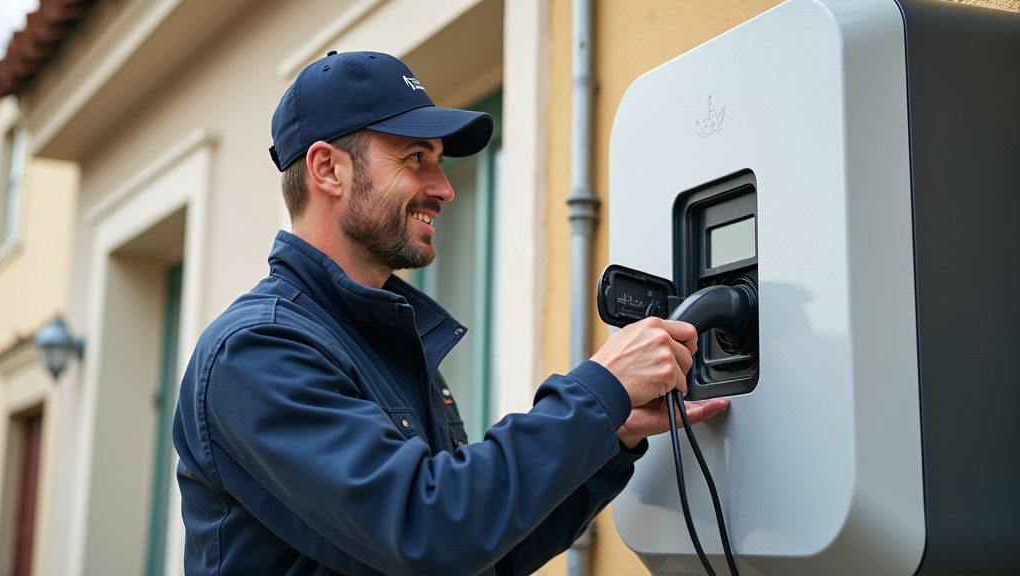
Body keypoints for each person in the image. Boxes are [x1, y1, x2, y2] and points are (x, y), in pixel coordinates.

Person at [172, 50, 730, 576]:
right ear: (328, 169)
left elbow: (485, 555)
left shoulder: (387, 344)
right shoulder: (257, 350)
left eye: (438, 162)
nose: (444, 188)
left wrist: (612, 437)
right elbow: (429, 531)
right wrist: (599, 391)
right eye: (416, 159)